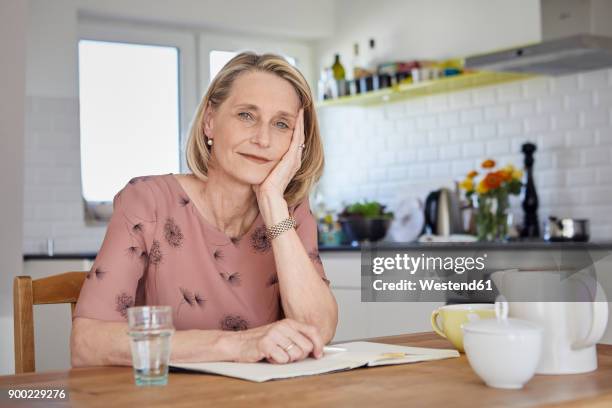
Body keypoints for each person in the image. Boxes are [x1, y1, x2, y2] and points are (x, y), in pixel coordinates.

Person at [71, 52, 338, 366]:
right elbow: (86, 344)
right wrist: (236, 345)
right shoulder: (147, 200)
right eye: (246, 116)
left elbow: (316, 331)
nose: (263, 139)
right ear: (210, 121)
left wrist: (273, 204)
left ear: (298, 142)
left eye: (281, 124)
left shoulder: (289, 211)